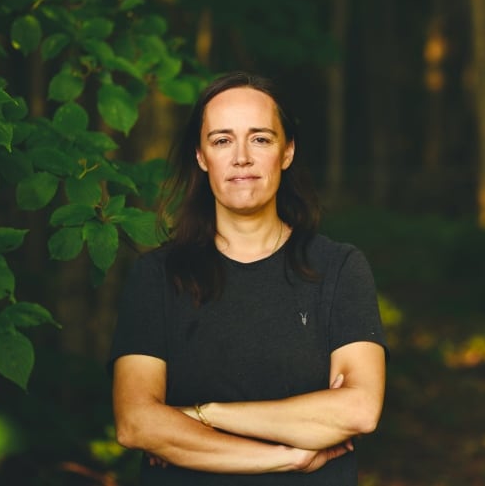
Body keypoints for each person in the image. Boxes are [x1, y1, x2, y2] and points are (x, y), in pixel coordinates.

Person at [108, 71, 387, 485]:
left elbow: (359, 410)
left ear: (286, 152)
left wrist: (203, 415)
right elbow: (136, 424)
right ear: (202, 157)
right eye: (222, 140)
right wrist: (285, 457)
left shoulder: (338, 268)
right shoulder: (157, 277)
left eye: (260, 138)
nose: (241, 157)